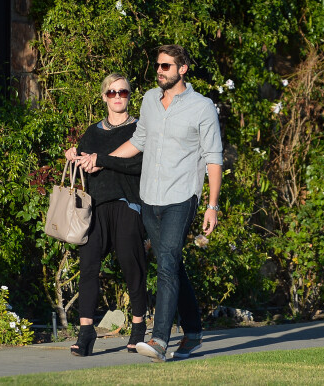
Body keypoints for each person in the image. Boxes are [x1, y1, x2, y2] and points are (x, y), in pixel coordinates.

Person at [80, 45, 223, 362]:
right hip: (149, 198)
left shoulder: (202, 108)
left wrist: (212, 205)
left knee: (168, 265)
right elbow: (137, 142)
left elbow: (214, 158)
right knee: (172, 263)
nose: (160, 70)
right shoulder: (148, 101)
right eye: (158, 65)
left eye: (166, 66)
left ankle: (159, 340)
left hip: (182, 196)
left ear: (182, 69)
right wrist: (100, 160)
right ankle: (194, 330)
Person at [65, 73, 147, 356]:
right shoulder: (92, 132)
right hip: (96, 206)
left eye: (122, 92)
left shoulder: (140, 129)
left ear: (129, 95)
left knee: (131, 265)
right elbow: (87, 167)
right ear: (103, 96)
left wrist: (102, 160)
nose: (117, 97)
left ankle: (138, 328)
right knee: (88, 266)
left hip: (127, 203)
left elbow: (138, 165)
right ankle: (85, 333)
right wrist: (75, 157)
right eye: (111, 93)